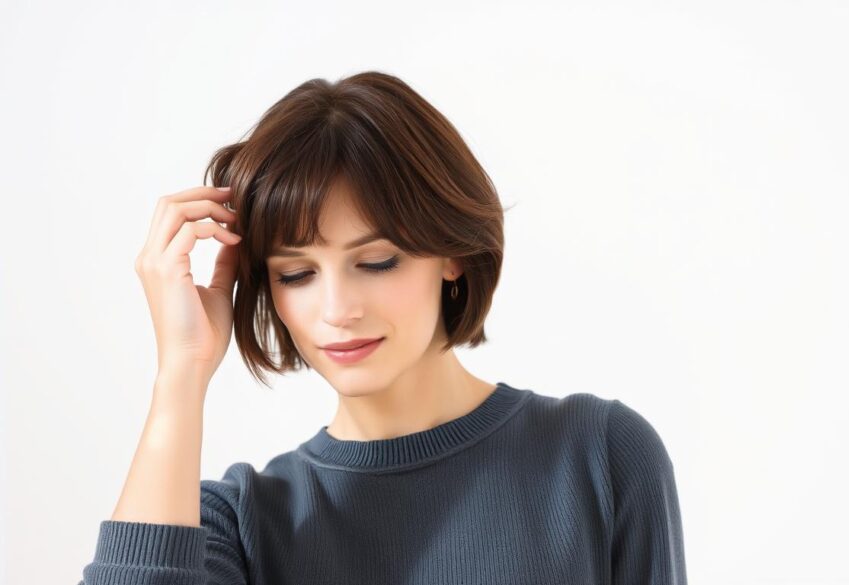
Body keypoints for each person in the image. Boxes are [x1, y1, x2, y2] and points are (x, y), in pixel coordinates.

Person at [77, 70, 687, 584]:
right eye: (296, 275)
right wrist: (180, 373)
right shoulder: (243, 526)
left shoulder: (598, 457)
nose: (338, 309)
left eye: (376, 262)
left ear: (451, 254)